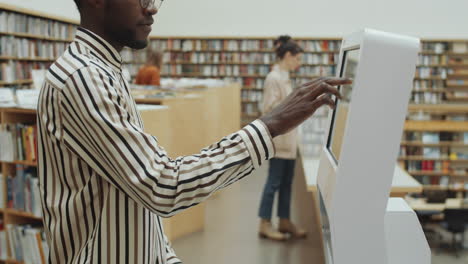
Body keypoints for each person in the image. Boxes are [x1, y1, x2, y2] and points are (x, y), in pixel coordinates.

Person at [37, 0, 350, 263]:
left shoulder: (106, 72)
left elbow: (134, 199)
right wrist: (269, 126)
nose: (152, 8)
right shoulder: (83, 79)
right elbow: (162, 185)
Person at [257, 36, 308, 241]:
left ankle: (285, 220)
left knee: (287, 182)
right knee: (274, 182)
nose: (299, 63)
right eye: (297, 58)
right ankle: (264, 223)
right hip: (278, 141)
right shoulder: (274, 78)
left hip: (289, 140)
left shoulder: (285, 77)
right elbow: (268, 110)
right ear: (287, 55)